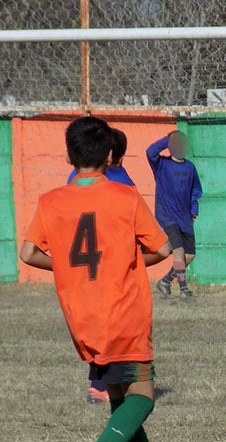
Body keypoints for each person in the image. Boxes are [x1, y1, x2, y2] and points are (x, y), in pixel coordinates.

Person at [20, 116, 193, 442]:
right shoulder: (124, 197)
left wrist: (65, 265)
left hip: (83, 318)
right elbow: (164, 250)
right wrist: (128, 260)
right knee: (144, 397)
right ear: (110, 155)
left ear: (69, 154)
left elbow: (29, 253)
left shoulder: (51, 201)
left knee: (120, 398)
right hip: (123, 311)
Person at [68, 127, 136, 405]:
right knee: (116, 327)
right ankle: (109, 384)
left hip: (80, 270)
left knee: (94, 325)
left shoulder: (73, 180)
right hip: (112, 266)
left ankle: (98, 383)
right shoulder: (123, 185)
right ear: (111, 155)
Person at [148, 131, 202, 301]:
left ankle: (165, 281)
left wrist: (194, 209)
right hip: (167, 217)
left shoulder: (190, 167)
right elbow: (150, 152)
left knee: (189, 255)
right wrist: (167, 139)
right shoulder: (161, 164)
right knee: (178, 251)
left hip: (185, 217)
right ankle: (184, 290)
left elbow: (196, 190)